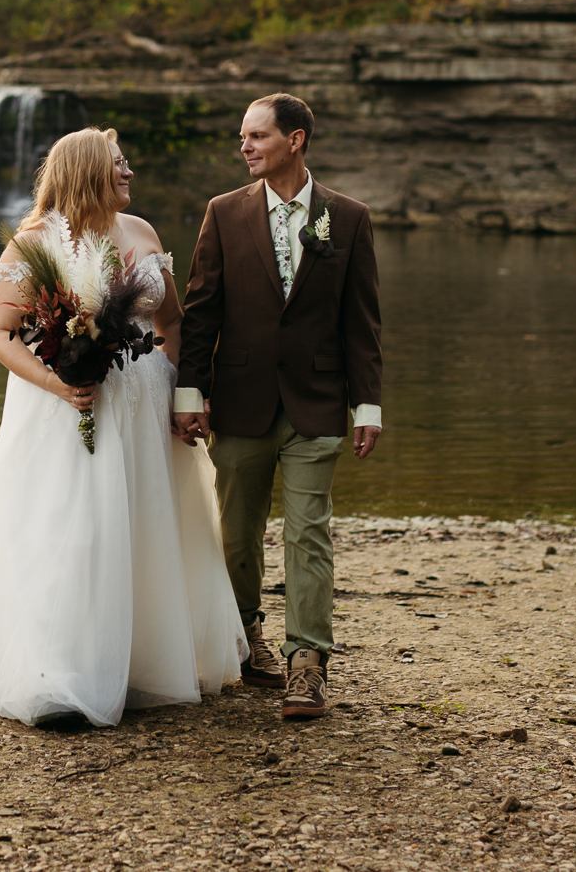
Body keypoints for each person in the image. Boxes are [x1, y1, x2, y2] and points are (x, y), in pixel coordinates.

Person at [0, 128, 246, 729]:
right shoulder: (31, 245)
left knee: (145, 523)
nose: (129, 172)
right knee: (76, 528)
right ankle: (60, 674)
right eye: (119, 164)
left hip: (145, 406)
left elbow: (171, 324)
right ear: (87, 172)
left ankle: (141, 661)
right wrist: (59, 383)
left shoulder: (143, 233)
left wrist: (183, 394)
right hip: (69, 406)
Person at [175, 93, 382, 721]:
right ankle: (243, 640)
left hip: (318, 404)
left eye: (257, 136)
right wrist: (189, 394)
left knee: (308, 532)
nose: (245, 146)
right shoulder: (223, 214)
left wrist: (367, 405)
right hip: (239, 402)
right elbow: (200, 312)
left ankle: (308, 666)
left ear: (295, 140)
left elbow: (362, 322)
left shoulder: (346, 219)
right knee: (237, 534)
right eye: (242, 136)